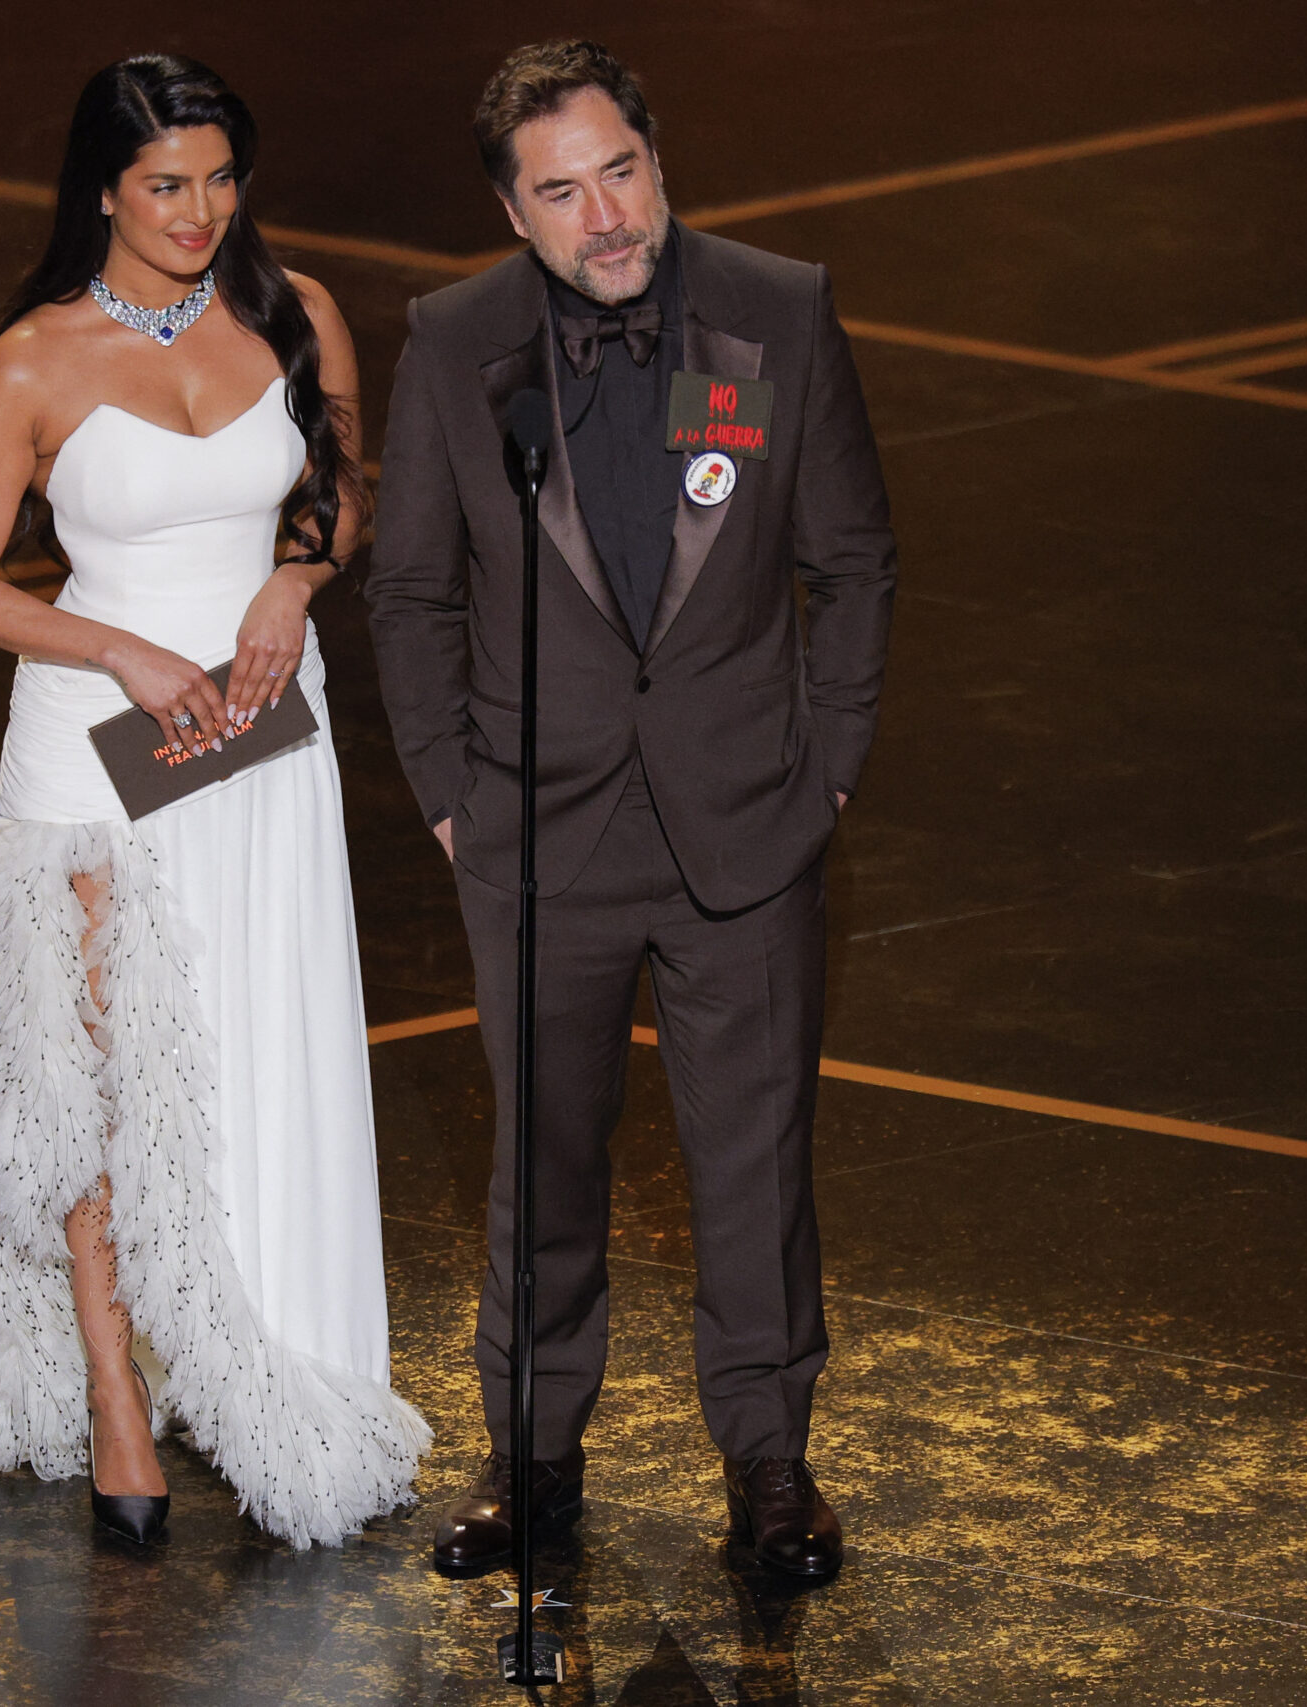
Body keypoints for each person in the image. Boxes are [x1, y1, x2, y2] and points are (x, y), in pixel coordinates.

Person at [0, 53, 427, 1552]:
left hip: (266, 729)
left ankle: (263, 1353)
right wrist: (118, 646)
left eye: (222, 181)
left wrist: (295, 578)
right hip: (98, 742)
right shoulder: (31, 363)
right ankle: (114, 1402)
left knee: (247, 1049)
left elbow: (346, 484)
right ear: (102, 188)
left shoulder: (296, 314)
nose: (199, 212)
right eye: (167, 185)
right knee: (94, 1076)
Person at [364, 40, 897, 1579]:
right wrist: (456, 801)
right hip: (539, 845)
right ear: (511, 213)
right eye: (562, 190)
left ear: (659, 160)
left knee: (756, 1166)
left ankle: (772, 1473)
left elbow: (853, 557)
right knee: (539, 1169)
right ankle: (533, 1469)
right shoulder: (456, 344)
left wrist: (833, 763)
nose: (605, 215)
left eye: (622, 170)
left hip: (746, 827)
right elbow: (409, 593)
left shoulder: (774, 313)